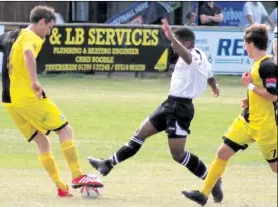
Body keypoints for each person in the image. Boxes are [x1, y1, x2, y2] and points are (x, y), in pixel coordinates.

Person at [88, 18, 223, 202]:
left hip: (181, 109)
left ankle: (213, 180)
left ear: (187, 43)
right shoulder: (201, 56)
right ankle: (107, 164)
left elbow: (189, 58)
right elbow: (209, 73)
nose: (172, 46)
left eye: (176, 42)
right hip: (169, 104)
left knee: (178, 154)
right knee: (139, 134)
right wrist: (214, 85)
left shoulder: (194, 53)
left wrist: (171, 38)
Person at [0, 5, 103, 197]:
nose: (49, 32)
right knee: (65, 129)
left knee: (42, 142)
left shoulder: (11, 35)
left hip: (9, 101)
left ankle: (61, 186)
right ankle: (77, 175)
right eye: (50, 27)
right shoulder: (33, 38)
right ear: (42, 22)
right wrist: (34, 81)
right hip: (28, 97)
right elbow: (28, 53)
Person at [182, 23, 278, 206]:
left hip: (266, 127)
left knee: (275, 168)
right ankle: (203, 194)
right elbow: (262, 92)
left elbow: (273, 96)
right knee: (222, 152)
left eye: (244, 43)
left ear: (251, 43)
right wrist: (250, 99)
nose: (244, 47)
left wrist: (249, 86)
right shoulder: (258, 64)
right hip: (247, 120)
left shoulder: (268, 65)